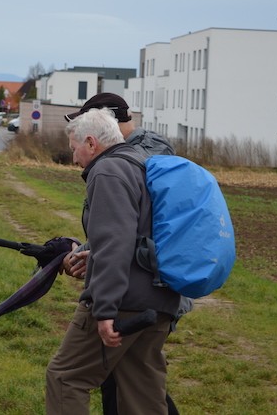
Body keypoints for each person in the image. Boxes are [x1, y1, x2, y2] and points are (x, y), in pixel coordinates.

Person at [45, 107, 181, 415]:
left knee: (66, 378)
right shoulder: (141, 165)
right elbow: (136, 236)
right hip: (160, 299)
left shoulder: (107, 171)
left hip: (124, 303)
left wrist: (104, 309)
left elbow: (114, 243)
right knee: (142, 393)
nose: (74, 158)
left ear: (91, 143)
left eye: (74, 149)